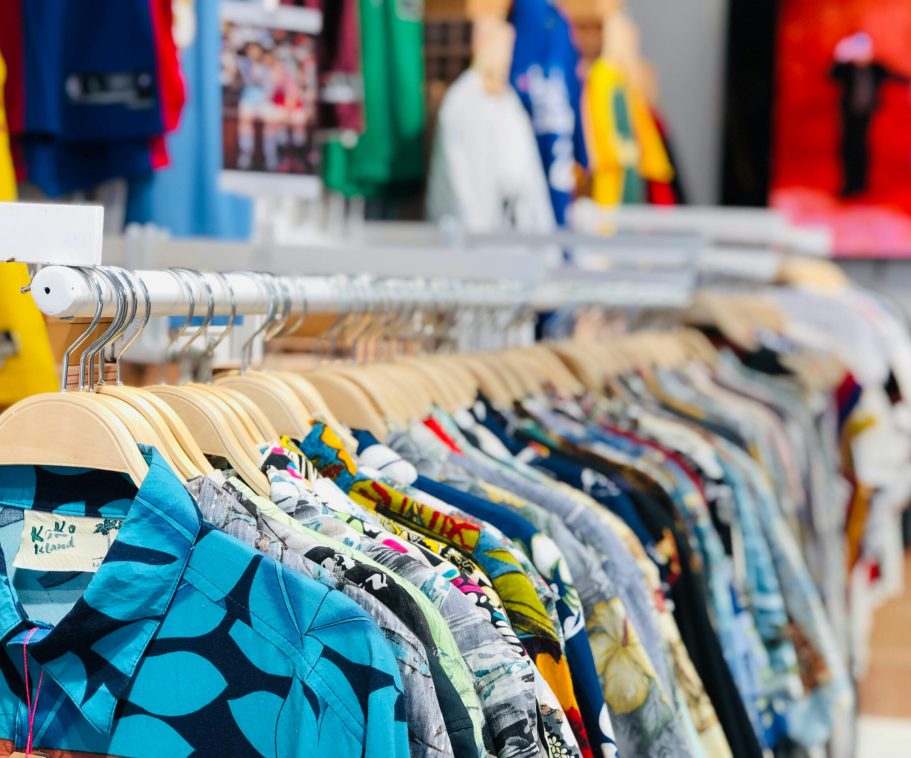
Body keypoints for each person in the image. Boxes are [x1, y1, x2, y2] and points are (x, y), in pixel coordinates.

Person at [830, 32, 909, 197]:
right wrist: (840, 56)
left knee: (862, 147)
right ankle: (849, 184)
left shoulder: (876, 68)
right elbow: (832, 75)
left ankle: (861, 184)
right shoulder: (847, 69)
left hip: (866, 114)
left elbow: (896, 76)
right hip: (849, 114)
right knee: (848, 147)